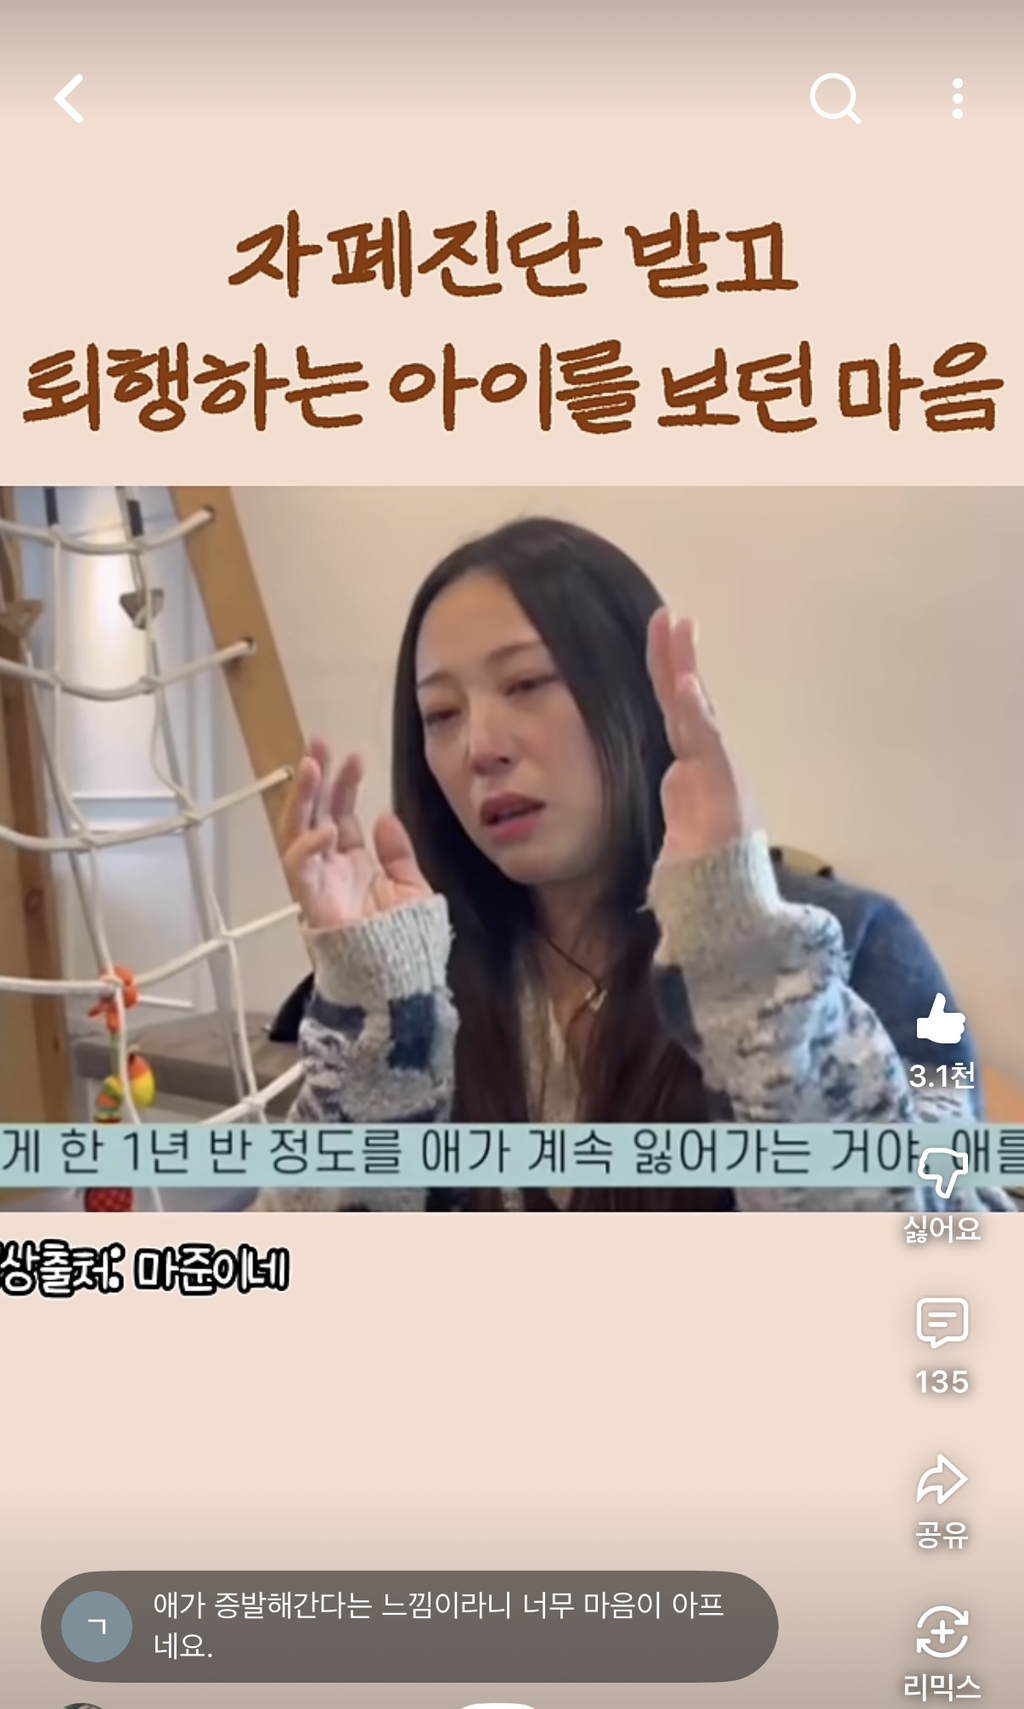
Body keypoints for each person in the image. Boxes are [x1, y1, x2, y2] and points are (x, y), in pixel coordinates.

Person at [252, 517, 1013, 1214]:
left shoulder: (859, 947)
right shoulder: (427, 983)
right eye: (441, 714)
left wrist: (752, 980)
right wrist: (379, 1037)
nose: (480, 746)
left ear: (635, 690)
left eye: (526, 683)